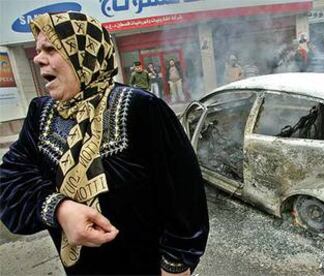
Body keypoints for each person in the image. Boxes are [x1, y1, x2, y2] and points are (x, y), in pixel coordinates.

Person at [0, 11, 209, 275]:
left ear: (83, 56)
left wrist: (177, 264)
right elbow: (11, 181)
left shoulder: (141, 107)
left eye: (51, 49)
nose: (38, 58)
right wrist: (60, 209)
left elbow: (184, 193)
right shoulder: (40, 113)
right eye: (38, 49)